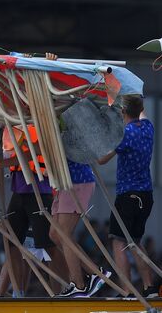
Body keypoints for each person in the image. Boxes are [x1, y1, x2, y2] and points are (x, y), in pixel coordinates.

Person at [98, 94, 157, 298]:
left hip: (128, 195)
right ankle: (149, 287)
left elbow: (102, 159)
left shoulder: (124, 133)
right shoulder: (148, 128)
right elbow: (142, 113)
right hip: (146, 195)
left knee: (118, 242)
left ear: (123, 111)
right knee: (135, 241)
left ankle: (127, 290)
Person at [1, 125, 67, 295]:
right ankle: (18, 292)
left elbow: (31, 153)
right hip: (19, 190)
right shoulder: (12, 123)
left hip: (40, 191)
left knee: (49, 245)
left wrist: (1, 163)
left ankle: (60, 291)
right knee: (11, 243)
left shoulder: (42, 123)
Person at [49, 159, 111, 297]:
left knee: (64, 234)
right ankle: (95, 272)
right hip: (62, 183)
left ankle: (79, 284)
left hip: (76, 180)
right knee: (55, 234)